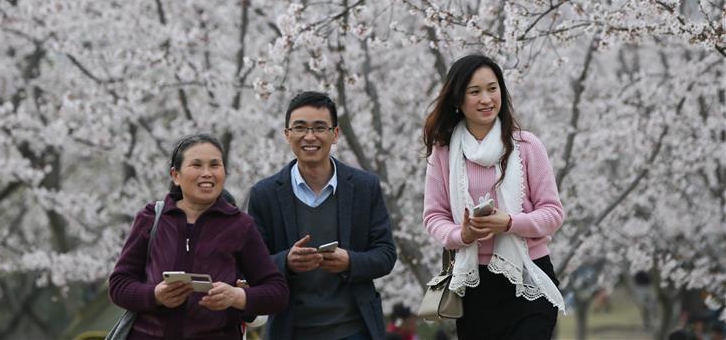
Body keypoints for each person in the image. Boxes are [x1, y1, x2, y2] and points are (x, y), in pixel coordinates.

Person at [422, 54, 566, 340]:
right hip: (474, 283)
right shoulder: (444, 152)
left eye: (492, 88)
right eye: (474, 92)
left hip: (529, 275)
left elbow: (553, 213)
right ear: (457, 100)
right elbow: (433, 216)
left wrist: (510, 222)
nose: (486, 98)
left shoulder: (526, 146)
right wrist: (460, 234)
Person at [109, 133, 289, 339]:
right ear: (175, 175)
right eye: (196, 165)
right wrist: (155, 295)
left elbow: (277, 293)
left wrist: (237, 296)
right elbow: (119, 285)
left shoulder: (241, 225)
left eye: (215, 165)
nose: (207, 173)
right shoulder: (151, 218)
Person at [248, 91, 397, 340]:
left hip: (354, 330)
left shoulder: (364, 187)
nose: (309, 136)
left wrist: (349, 261)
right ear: (287, 134)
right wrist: (287, 262)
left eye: (319, 127)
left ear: (335, 134)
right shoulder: (265, 194)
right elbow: (251, 265)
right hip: (291, 331)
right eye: (300, 128)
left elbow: (386, 255)